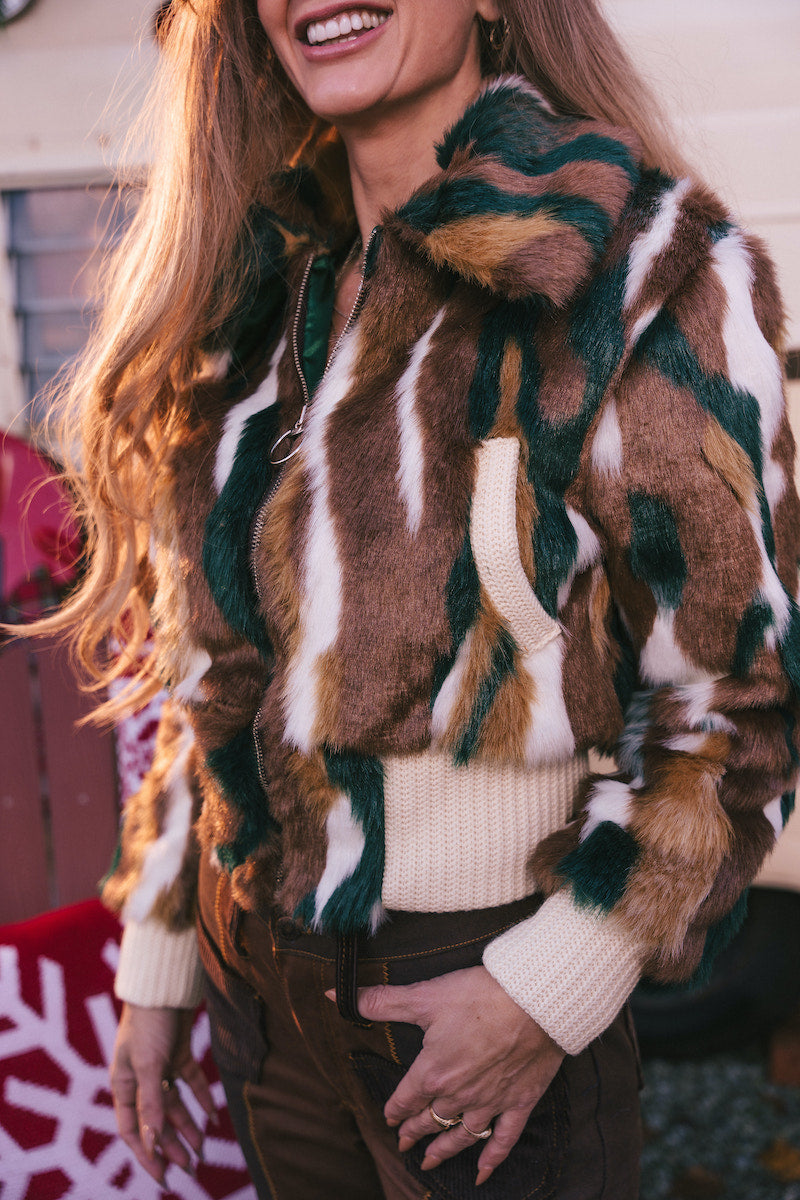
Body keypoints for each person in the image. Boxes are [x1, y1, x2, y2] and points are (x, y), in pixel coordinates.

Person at [29, 0, 800, 1196]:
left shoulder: (643, 267)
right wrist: (164, 955)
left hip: (475, 975)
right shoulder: (254, 293)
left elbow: (736, 698)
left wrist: (549, 988)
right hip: (258, 978)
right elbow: (217, 676)